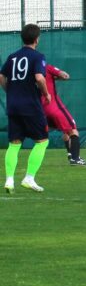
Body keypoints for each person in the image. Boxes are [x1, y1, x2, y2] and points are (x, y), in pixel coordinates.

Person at [0, 24, 51, 193]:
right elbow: (39, 78)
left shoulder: (12, 57)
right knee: (42, 141)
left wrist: (10, 90)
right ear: (37, 39)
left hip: (13, 105)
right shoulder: (38, 57)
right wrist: (46, 94)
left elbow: (1, 76)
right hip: (31, 105)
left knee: (14, 144)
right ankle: (29, 178)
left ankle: (9, 180)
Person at [43, 64, 86, 166]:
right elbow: (65, 76)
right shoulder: (46, 67)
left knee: (65, 131)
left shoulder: (29, 71)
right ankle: (75, 159)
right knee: (73, 129)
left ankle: (70, 154)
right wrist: (57, 76)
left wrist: (51, 78)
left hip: (40, 108)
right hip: (52, 104)